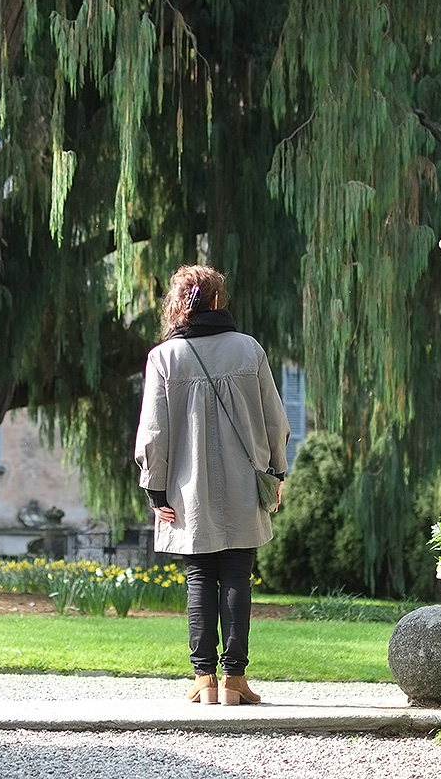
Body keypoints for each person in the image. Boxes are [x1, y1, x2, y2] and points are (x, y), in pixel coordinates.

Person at [134, 264, 290, 706]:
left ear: (178, 305)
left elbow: (153, 433)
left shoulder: (163, 358)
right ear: (218, 300)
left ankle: (204, 679)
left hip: (187, 491)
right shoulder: (249, 350)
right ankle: (234, 680)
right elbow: (275, 420)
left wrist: (156, 491)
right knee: (238, 574)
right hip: (245, 482)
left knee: (199, 577)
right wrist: (276, 473)